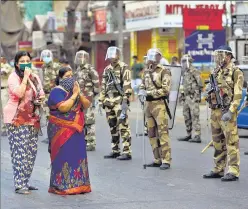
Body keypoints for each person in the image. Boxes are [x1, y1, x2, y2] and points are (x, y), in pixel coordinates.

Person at [3, 51, 45, 194]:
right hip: (16, 118)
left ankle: (25, 181)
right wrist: (25, 77)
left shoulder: (35, 77)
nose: (25, 63)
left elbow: (41, 93)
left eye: (28, 60)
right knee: (19, 152)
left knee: (30, 153)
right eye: (22, 61)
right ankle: (19, 184)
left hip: (32, 119)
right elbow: (19, 93)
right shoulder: (13, 77)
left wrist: (39, 100)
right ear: (16, 63)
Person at [47, 67, 92, 195]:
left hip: (76, 130)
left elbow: (87, 104)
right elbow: (63, 108)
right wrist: (74, 95)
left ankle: (80, 184)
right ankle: (61, 185)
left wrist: (78, 93)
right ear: (60, 78)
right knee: (64, 155)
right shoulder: (56, 91)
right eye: (67, 76)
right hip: (61, 131)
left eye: (72, 76)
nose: (70, 79)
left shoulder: (75, 90)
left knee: (77, 155)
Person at [203, 45, 244, 181]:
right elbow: (212, 89)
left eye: (221, 55)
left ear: (228, 56)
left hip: (227, 112)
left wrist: (231, 111)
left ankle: (233, 170)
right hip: (215, 111)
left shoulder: (235, 72)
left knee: (231, 142)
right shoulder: (216, 71)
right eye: (217, 55)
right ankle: (219, 168)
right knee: (217, 142)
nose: (218, 58)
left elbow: (237, 95)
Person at [138, 48, 172, 170]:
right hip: (148, 105)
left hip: (159, 104)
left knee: (162, 133)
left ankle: (166, 160)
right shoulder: (146, 71)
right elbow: (142, 85)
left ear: (159, 57)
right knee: (151, 133)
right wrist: (141, 92)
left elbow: (165, 89)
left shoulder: (164, 71)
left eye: (155, 56)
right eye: (150, 56)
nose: (152, 59)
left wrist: (149, 93)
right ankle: (157, 158)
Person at [98, 46, 132, 160]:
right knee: (112, 127)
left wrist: (125, 100)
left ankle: (127, 151)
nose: (112, 56)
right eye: (111, 54)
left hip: (119, 101)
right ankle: (115, 150)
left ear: (118, 55)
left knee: (123, 126)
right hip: (108, 102)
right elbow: (103, 85)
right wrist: (100, 100)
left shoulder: (124, 67)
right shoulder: (107, 69)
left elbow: (127, 85)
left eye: (114, 54)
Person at [74, 50, 100, 151]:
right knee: (81, 120)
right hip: (79, 99)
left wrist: (93, 97)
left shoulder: (90, 70)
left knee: (89, 120)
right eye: (79, 57)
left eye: (82, 57)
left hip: (88, 98)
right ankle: (84, 140)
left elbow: (97, 85)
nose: (81, 59)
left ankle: (91, 142)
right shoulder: (78, 70)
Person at [178, 54, 203, 143]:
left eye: (185, 61)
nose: (183, 63)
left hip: (193, 97)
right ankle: (189, 134)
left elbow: (200, 84)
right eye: (183, 61)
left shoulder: (194, 71)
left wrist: (197, 96)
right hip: (186, 97)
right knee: (186, 116)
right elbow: (183, 85)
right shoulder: (184, 72)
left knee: (195, 116)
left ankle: (197, 135)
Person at [40, 50, 61, 123]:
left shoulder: (56, 66)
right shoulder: (43, 67)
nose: (45, 58)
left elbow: (61, 79)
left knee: (56, 113)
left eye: (47, 57)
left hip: (55, 93)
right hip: (46, 93)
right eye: (44, 57)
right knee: (47, 114)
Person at [1, 56, 13, 136]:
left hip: (4, 90)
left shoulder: (7, 67)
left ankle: (8, 128)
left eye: (2, 58)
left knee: (5, 109)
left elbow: (3, 73)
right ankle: (3, 128)